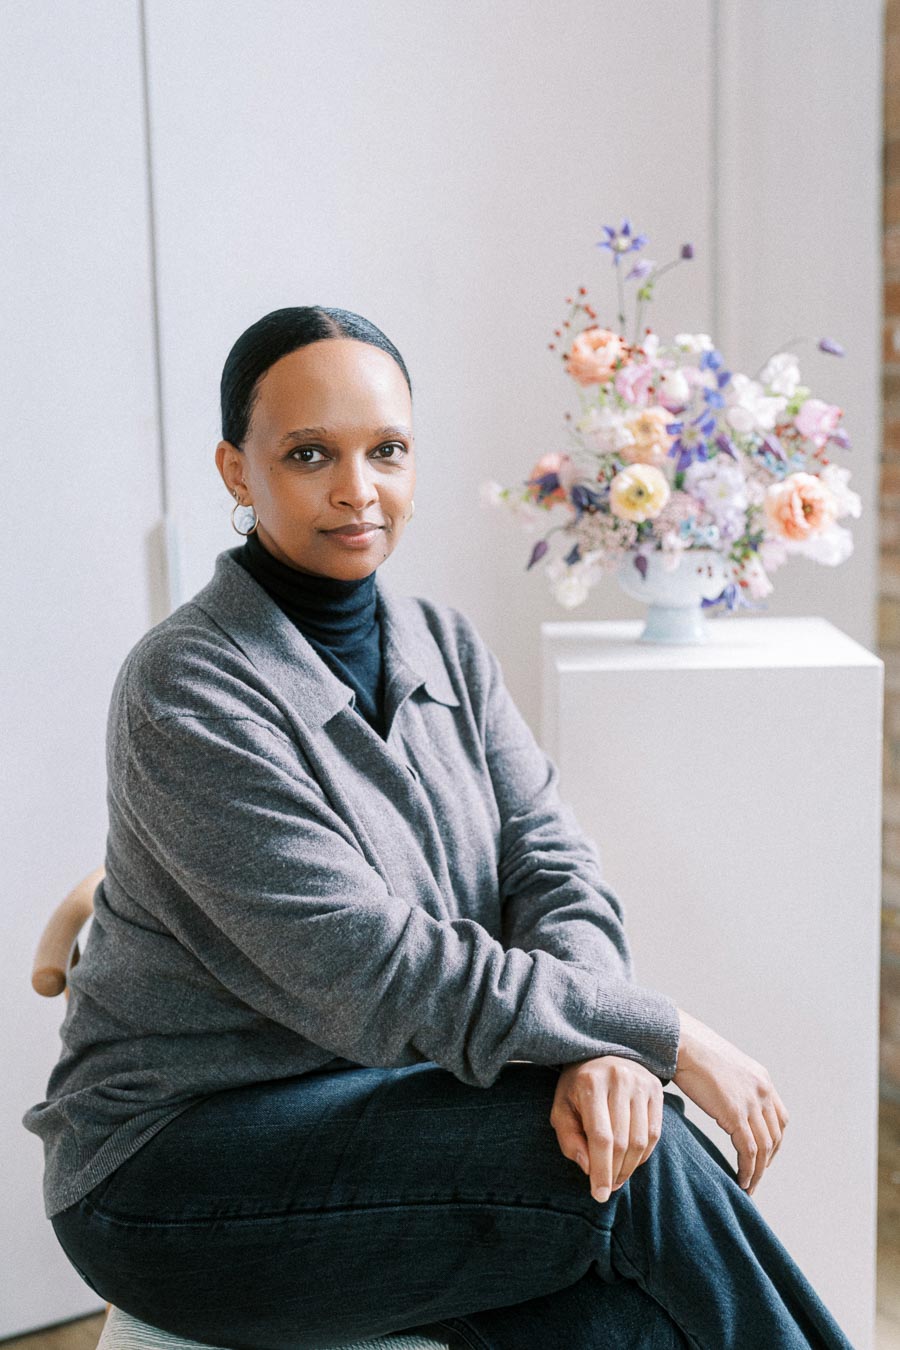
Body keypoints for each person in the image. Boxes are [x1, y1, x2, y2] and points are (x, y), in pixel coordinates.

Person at [24, 306, 854, 1350]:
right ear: (237, 471)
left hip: (390, 1120)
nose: (355, 489)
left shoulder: (445, 646)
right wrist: (661, 1034)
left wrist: (600, 1052)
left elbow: (554, 871)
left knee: (616, 1307)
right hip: (177, 1172)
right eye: (309, 454)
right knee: (629, 1178)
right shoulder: (185, 686)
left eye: (387, 451)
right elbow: (376, 971)